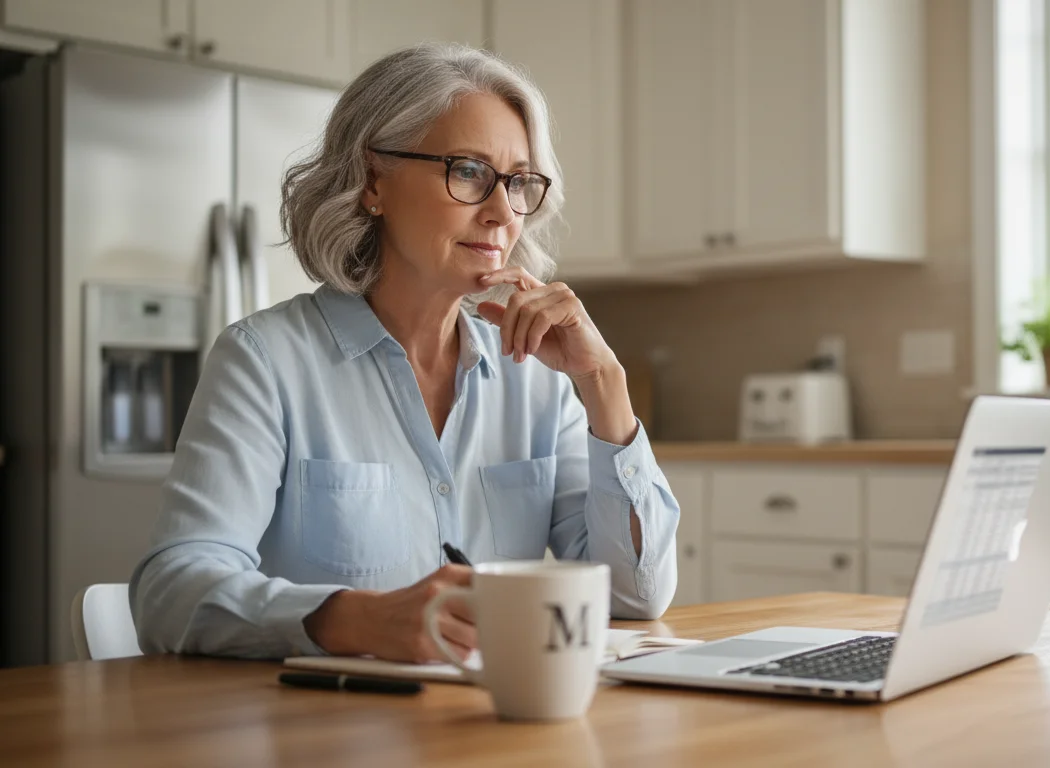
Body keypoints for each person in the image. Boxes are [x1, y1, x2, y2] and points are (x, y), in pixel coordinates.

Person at [129, 43, 679, 662]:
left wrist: (604, 382)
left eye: (519, 181)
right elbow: (169, 593)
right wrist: (355, 620)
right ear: (372, 183)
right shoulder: (264, 361)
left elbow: (637, 596)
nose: (503, 211)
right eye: (468, 171)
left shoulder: (539, 380)